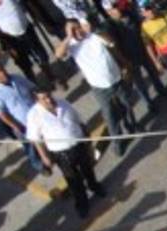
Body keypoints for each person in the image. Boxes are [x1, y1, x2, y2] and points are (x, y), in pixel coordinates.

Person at [56, 20, 141, 156]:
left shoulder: (94, 36)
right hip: (99, 85)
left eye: (78, 28)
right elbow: (58, 54)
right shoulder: (72, 46)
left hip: (115, 77)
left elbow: (111, 43)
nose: (78, 31)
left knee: (127, 103)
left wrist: (94, 31)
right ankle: (118, 142)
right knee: (109, 114)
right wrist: (68, 37)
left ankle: (131, 124)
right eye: (73, 30)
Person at [25, 85, 106, 219]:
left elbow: (79, 120)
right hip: (61, 153)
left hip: (78, 144)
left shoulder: (63, 103)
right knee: (74, 180)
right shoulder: (34, 115)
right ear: (37, 101)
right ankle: (82, 204)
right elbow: (35, 139)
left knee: (88, 169)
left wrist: (87, 139)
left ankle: (95, 186)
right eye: (44, 98)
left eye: (49, 96)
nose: (49, 100)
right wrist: (44, 157)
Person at [102, 0, 167, 112]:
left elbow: (141, 27)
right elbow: (112, 45)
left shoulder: (129, 14)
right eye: (113, 8)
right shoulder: (109, 26)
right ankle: (149, 103)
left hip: (142, 50)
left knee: (153, 72)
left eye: (117, 6)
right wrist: (122, 63)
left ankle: (161, 90)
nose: (117, 9)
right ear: (108, 12)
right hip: (129, 58)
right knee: (140, 83)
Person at [0, 60, 50, 175]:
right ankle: (39, 165)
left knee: (45, 137)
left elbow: (33, 89)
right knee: (31, 147)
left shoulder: (17, 78)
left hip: (37, 116)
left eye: (2, 69)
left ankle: (49, 156)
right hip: (22, 123)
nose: (3, 73)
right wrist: (15, 126)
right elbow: (1, 113)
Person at [0, 0, 51, 82]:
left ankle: (51, 77)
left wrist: (38, 16)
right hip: (9, 38)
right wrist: (3, 42)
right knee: (24, 64)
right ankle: (34, 86)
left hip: (25, 28)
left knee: (41, 55)